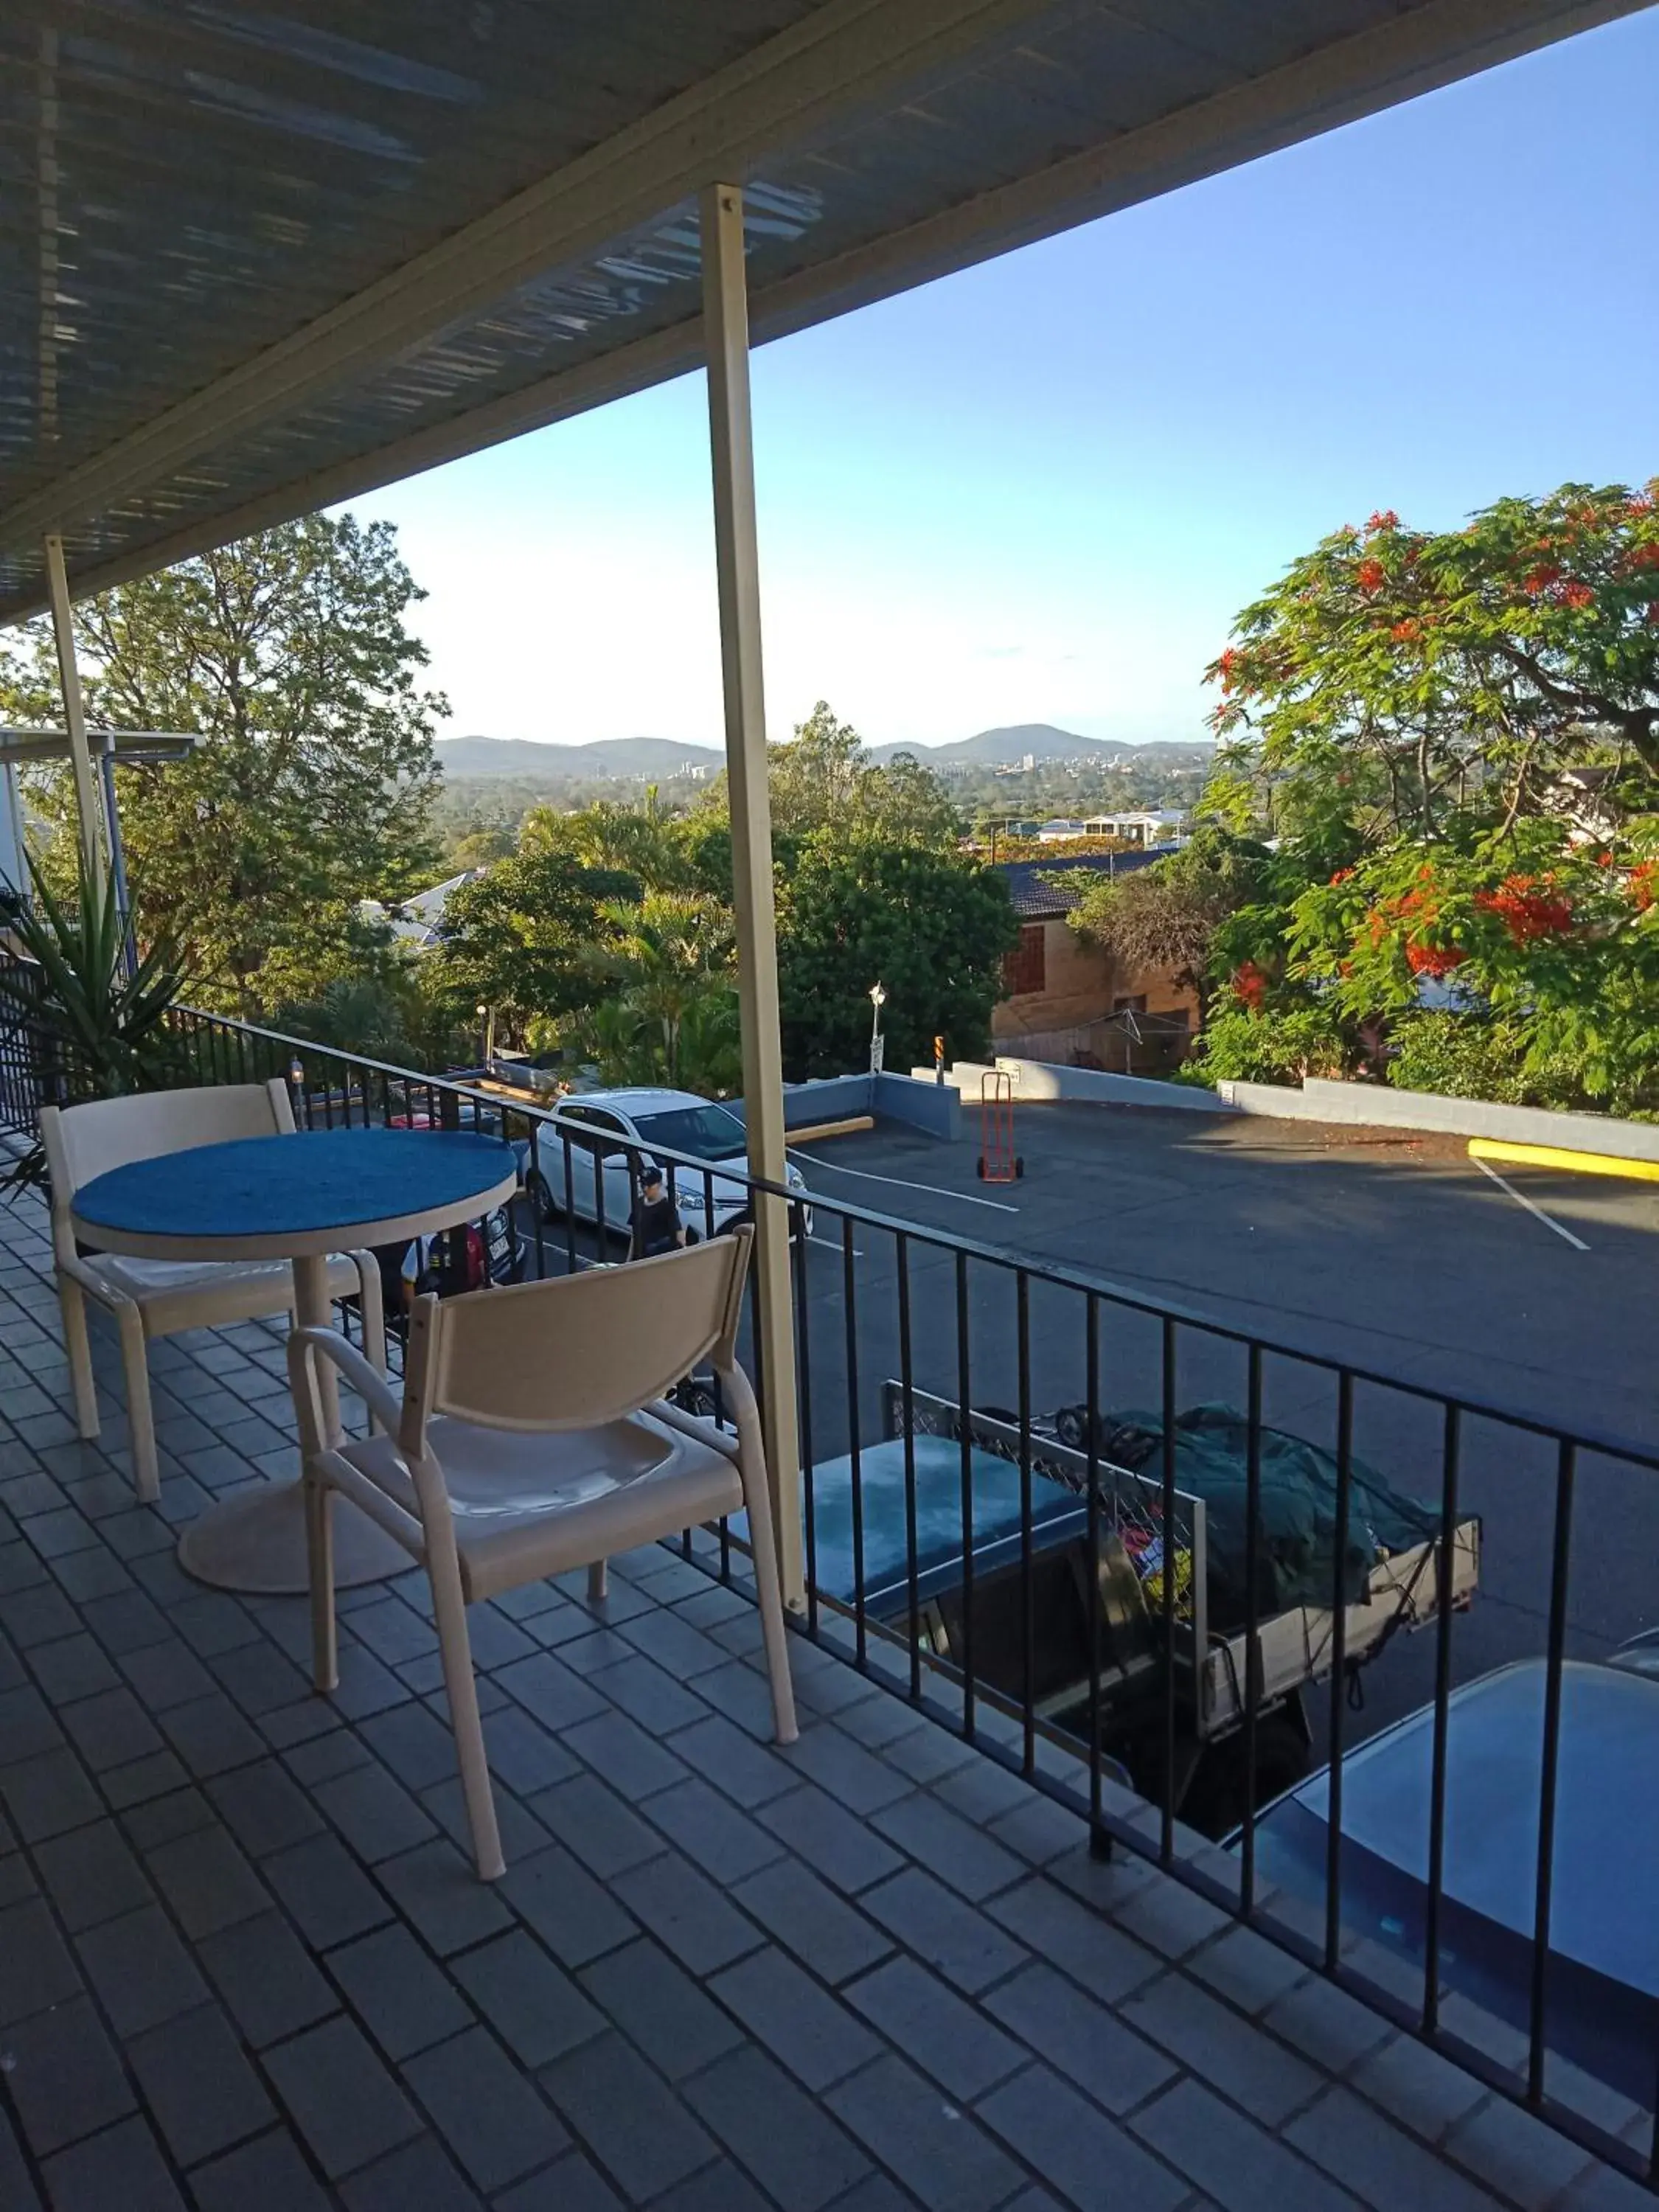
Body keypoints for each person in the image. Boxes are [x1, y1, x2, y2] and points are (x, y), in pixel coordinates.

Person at [630, 1163, 685, 1260]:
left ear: (659, 1185)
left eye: (650, 1185)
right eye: (643, 1184)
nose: (645, 1188)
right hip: (640, 1258)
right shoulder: (639, 1202)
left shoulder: (666, 1207)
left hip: (657, 1258)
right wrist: (628, 1260)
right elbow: (634, 1235)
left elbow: (679, 1236)